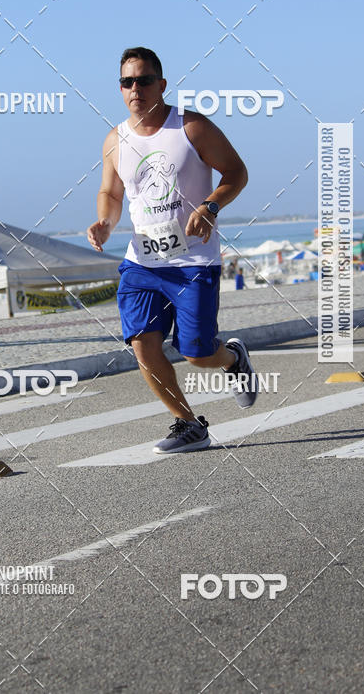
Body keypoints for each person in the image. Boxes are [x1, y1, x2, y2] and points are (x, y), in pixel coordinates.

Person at [87, 46, 258, 455]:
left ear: (161, 85)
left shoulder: (191, 127)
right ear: (120, 88)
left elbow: (236, 172)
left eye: (144, 80)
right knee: (143, 345)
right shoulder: (115, 140)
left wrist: (210, 206)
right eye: (127, 82)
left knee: (197, 353)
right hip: (142, 262)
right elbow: (111, 192)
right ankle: (188, 424)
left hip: (193, 261)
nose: (136, 89)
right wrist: (105, 222)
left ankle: (233, 359)